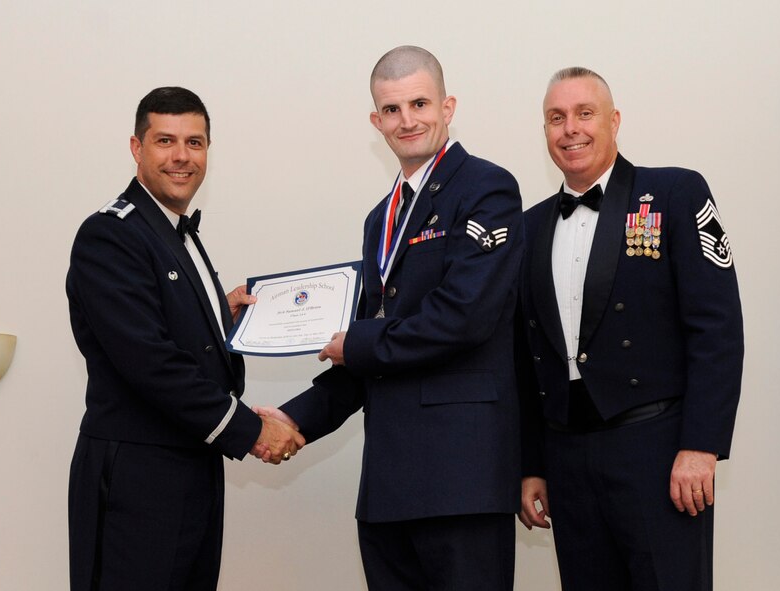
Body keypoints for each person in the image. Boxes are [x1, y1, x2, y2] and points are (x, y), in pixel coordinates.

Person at [262, 46, 525, 590]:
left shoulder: (487, 189)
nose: (407, 120)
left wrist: (353, 344)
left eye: (420, 103)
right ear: (375, 120)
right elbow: (375, 346)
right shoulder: (380, 219)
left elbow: (463, 318)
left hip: (462, 479)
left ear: (448, 106)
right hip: (389, 485)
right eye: (392, 108)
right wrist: (294, 420)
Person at [66, 86, 304, 591]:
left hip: (190, 467)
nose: (181, 156)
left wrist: (222, 320)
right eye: (165, 141)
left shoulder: (176, 232)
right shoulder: (110, 235)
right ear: (137, 148)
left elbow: (172, 331)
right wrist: (251, 430)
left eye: (195, 143)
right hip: (137, 478)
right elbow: (151, 362)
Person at [517, 67, 744, 590]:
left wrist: (701, 446)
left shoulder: (674, 192)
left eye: (584, 113)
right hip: (567, 456)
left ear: (614, 121)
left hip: (657, 450)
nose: (570, 129)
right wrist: (532, 464)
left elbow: (717, 328)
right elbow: (524, 356)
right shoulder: (529, 226)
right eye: (556, 118)